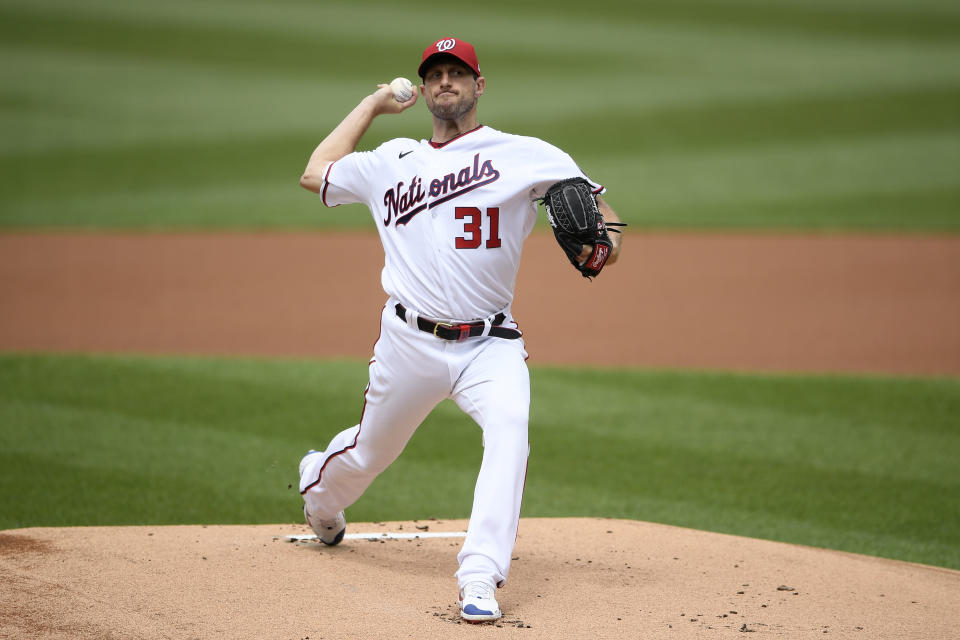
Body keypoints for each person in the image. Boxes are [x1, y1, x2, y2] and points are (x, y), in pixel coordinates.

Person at [297, 37, 623, 622]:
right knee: (371, 452)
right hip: (407, 343)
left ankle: (479, 576)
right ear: (423, 90)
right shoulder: (390, 161)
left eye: (457, 73)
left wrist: (605, 248)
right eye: (436, 74)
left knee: (511, 428)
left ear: (479, 85)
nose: (446, 81)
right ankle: (319, 495)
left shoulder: (526, 154)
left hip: (490, 344)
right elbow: (314, 174)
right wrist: (371, 106)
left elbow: (604, 223)